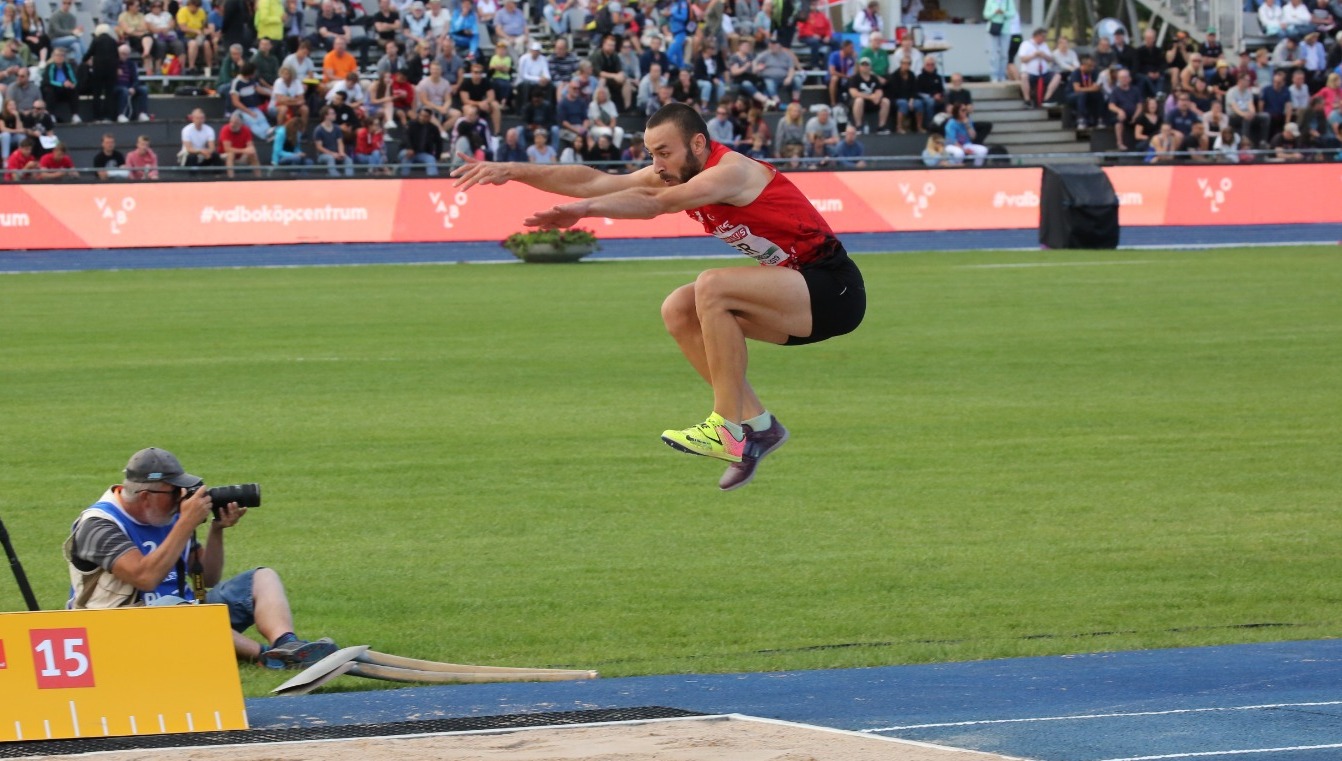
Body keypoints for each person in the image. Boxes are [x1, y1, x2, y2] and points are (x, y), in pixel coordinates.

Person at [452, 102, 866, 491]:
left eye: (664, 152)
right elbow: (592, 180)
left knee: (712, 285)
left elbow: (656, 203)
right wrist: (513, 170)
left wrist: (586, 210)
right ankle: (757, 425)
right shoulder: (678, 172)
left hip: (832, 289)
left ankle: (724, 426)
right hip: (792, 295)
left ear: (698, 143)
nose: (657, 165)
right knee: (679, 309)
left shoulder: (731, 172)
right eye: (651, 153)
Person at [64, 448, 338, 669]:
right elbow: (144, 577)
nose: (181, 497)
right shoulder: (99, 525)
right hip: (118, 632)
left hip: (185, 618)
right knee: (178, 609)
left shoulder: (169, 517)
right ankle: (268, 657)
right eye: (174, 491)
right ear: (146, 496)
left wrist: (216, 530)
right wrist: (186, 522)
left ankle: (288, 644)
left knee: (262, 577)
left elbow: (207, 577)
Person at [219, 110, 262, 177]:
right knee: (231, 154)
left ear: (241, 124)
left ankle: (259, 178)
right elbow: (227, 149)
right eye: (231, 122)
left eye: (235, 123)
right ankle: (231, 179)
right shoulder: (225, 129)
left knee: (253, 154)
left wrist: (249, 151)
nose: (232, 125)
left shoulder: (246, 130)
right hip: (225, 155)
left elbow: (250, 147)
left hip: (241, 156)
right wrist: (244, 150)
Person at [400, 106, 442, 175]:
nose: (423, 118)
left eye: (426, 116)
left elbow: (439, 143)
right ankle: (404, 178)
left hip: (422, 153)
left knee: (431, 159)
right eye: (421, 115)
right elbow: (405, 137)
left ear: (429, 117)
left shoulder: (433, 128)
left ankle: (433, 181)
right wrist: (409, 148)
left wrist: (437, 156)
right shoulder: (411, 124)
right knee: (406, 157)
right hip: (406, 150)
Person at [983, 0, 1017, 82]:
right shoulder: (990, 1)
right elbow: (985, 15)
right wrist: (994, 12)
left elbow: (1013, 14)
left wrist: (1004, 12)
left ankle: (1002, 76)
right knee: (993, 54)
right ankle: (994, 76)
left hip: (1005, 29)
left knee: (1004, 54)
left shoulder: (1009, 1)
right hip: (993, 28)